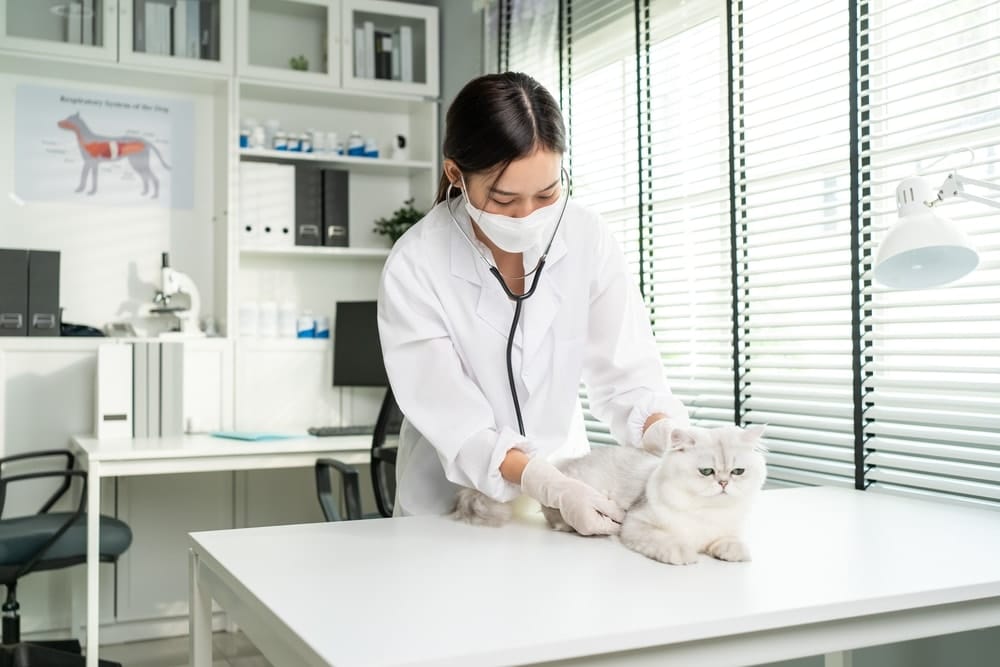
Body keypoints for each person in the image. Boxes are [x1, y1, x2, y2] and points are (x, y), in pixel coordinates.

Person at [377, 72, 689, 534]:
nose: (528, 216)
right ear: (455, 175)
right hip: (450, 508)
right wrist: (544, 481)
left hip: (571, 497)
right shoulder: (415, 264)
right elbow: (457, 421)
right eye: (504, 199)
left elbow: (628, 379)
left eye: (546, 194)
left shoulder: (587, 236)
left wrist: (666, 431)